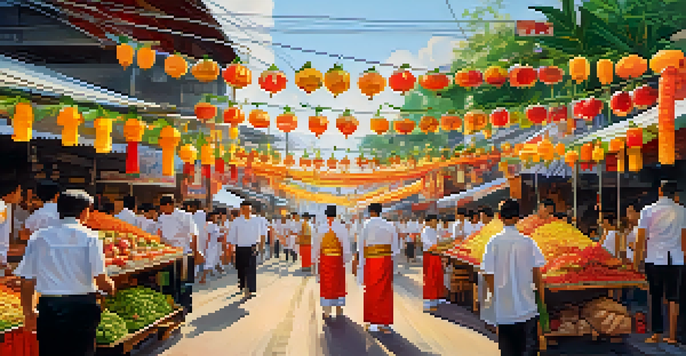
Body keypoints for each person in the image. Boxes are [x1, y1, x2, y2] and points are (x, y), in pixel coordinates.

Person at [15, 189, 116, 356]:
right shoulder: (91, 237)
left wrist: (29, 312)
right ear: (84, 212)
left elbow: (27, 281)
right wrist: (110, 288)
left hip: (50, 307)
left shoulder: (39, 237)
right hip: (82, 307)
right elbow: (101, 279)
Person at [481, 199, 545, 356]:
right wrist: (541, 303)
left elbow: (488, 274)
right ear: (518, 218)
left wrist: (496, 298)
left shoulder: (493, 243)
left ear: (499, 217)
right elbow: (537, 275)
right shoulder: (528, 242)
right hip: (528, 310)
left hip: (505, 312)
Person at [634, 181, 686, 344]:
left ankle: (656, 334)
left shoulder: (648, 211)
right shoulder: (682, 211)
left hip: (654, 258)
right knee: (673, 297)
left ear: (660, 192)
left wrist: (636, 262)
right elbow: (684, 238)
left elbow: (640, 239)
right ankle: (671, 335)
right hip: (676, 259)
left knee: (655, 296)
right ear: (675, 194)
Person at [355, 203, 399, 333]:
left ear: (370, 212)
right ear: (380, 212)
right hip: (385, 260)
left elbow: (360, 247)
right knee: (385, 290)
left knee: (371, 290)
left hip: (371, 261)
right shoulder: (389, 225)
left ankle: (371, 321)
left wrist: (360, 263)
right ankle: (384, 324)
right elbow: (395, 249)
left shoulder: (366, 225)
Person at [156, 195, 198, 313]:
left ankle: (185, 306)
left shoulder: (185, 216)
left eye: (162, 207)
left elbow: (194, 234)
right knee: (170, 282)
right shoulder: (161, 218)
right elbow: (159, 235)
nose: (161, 210)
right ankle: (173, 307)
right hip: (168, 254)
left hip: (184, 253)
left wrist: (195, 252)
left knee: (184, 282)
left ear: (169, 205)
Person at [313, 205, 351, 319]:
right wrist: (345, 260)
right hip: (337, 260)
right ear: (336, 215)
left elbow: (316, 247)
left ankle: (326, 311)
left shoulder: (321, 228)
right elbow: (346, 247)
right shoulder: (341, 228)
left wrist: (314, 260)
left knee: (326, 285)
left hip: (325, 259)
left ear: (326, 215)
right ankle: (338, 309)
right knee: (338, 284)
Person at [227, 201, 265, 300]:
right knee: (241, 268)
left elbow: (262, 234)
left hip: (252, 247)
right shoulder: (237, 221)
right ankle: (243, 285)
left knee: (251, 268)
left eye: (249, 209)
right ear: (241, 210)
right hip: (240, 247)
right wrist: (231, 250)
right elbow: (232, 236)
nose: (247, 211)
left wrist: (261, 247)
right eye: (245, 209)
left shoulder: (257, 220)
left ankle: (251, 289)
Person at [421, 214, 443, 312]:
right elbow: (427, 243)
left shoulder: (435, 231)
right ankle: (429, 302)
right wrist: (436, 247)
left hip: (436, 255)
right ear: (428, 221)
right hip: (429, 255)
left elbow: (438, 241)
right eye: (434, 221)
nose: (436, 223)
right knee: (430, 278)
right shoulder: (425, 231)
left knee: (437, 277)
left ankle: (436, 299)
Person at [0, 180, 22, 275]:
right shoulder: (1, 207)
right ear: (12, 193)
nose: (20, 196)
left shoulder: (4, 206)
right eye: (19, 192)